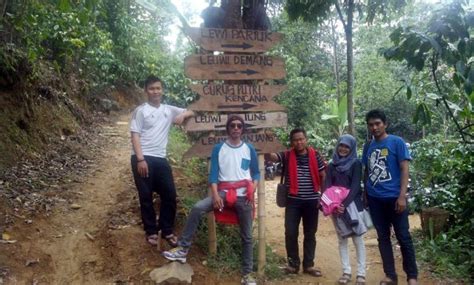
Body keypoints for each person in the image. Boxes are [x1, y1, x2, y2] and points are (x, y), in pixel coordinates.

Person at [163, 115, 260, 285]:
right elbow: (214, 174)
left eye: (239, 126)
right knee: (198, 208)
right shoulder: (218, 148)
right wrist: (215, 195)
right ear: (228, 129)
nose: (236, 128)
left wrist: (254, 188)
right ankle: (183, 249)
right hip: (222, 193)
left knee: (247, 236)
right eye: (233, 125)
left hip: (244, 196)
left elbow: (256, 173)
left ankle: (247, 274)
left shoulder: (249, 148)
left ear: (243, 129)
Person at [130, 75, 194, 247]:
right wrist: (140, 159)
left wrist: (184, 114)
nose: (155, 91)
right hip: (143, 157)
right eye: (151, 88)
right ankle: (151, 231)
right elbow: (135, 135)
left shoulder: (169, 109)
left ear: (162, 90)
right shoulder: (141, 111)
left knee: (170, 195)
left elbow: (194, 109)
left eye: (158, 88)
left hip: (161, 158)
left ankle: (166, 230)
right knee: (145, 196)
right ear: (146, 91)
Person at [362, 109, 418, 285]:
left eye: (378, 123)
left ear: (385, 124)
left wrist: (402, 196)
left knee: (403, 236)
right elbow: (367, 170)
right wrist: (365, 193)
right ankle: (390, 276)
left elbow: (404, 169)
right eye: (371, 124)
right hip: (375, 199)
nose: (374, 127)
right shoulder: (368, 146)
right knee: (383, 237)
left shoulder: (397, 142)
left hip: (395, 198)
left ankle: (412, 276)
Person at [266, 128, 326, 277]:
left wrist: (323, 196)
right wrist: (268, 142)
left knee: (310, 233)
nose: (299, 142)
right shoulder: (286, 155)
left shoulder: (315, 155)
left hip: (312, 201)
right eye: (295, 140)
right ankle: (293, 265)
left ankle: (308, 265)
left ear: (306, 140)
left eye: (301, 139)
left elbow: (323, 175)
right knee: (291, 232)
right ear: (292, 142)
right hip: (293, 201)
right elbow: (272, 157)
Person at [325, 134, 367, 285]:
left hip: (353, 206)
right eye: (341, 145)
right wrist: (334, 205)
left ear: (352, 148)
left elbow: (356, 186)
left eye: (347, 147)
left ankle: (361, 274)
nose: (343, 149)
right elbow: (327, 186)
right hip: (336, 208)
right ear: (337, 146)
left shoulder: (356, 164)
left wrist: (344, 204)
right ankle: (346, 272)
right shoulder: (332, 165)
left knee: (357, 239)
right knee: (342, 239)